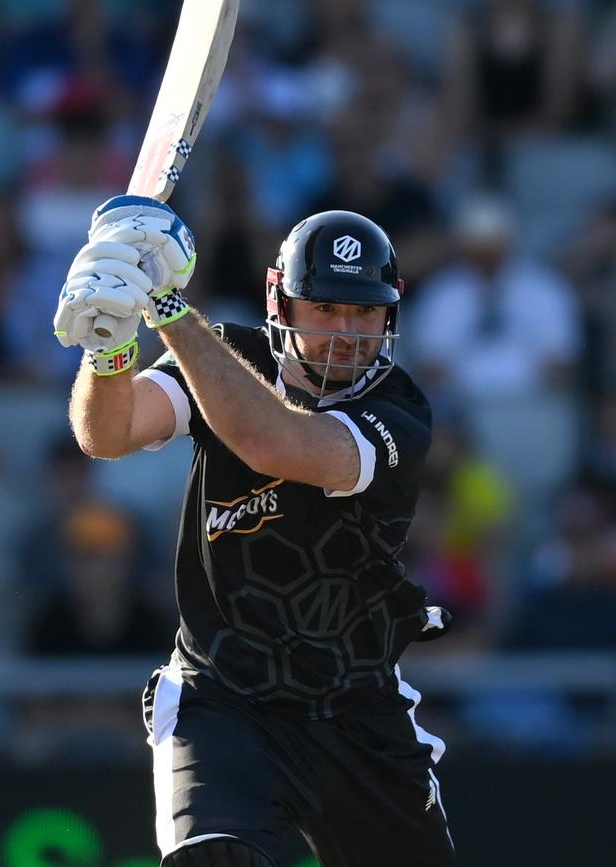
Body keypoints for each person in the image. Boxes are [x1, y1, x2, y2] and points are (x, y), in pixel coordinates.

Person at [54, 197, 456, 867]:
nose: (347, 332)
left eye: (364, 311)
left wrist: (168, 309)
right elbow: (108, 431)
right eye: (324, 308)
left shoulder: (399, 412)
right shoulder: (231, 356)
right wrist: (111, 348)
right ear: (281, 301)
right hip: (225, 697)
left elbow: (274, 440)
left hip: (356, 706)